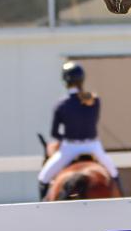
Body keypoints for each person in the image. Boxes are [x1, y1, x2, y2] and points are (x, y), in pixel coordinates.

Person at [38, 61, 120, 199]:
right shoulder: (94, 100)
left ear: (65, 81)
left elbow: (54, 133)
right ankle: (123, 199)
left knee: (43, 177)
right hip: (93, 146)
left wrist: (66, 136)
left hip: (69, 148)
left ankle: (42, 206)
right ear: (82, 79)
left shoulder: (61, 104)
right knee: (114, 173)